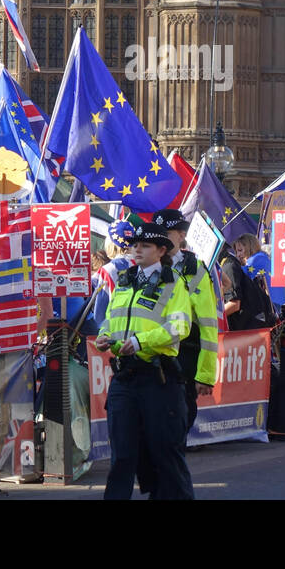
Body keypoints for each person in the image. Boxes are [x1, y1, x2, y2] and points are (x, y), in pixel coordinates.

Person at [93, 220, 195, 500]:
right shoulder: (125, 281)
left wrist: (140, 342)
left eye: (145, 245)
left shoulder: (174, 283)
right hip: (125, 378)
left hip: (158, 379)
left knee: (165, 454)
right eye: (135, 245)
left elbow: (179, 327)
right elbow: (111, 321)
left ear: (162, 250)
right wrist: (105, 337)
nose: (137, 250)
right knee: (122, 456)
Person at [153, 209, 218, 432]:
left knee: (175, 431)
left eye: (167, 232)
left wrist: (206, 375)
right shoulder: (143, 270)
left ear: (181, 235)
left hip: (183, 361)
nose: (160, 237)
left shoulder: (196, 271)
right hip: (148, 357)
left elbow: (209, 327)